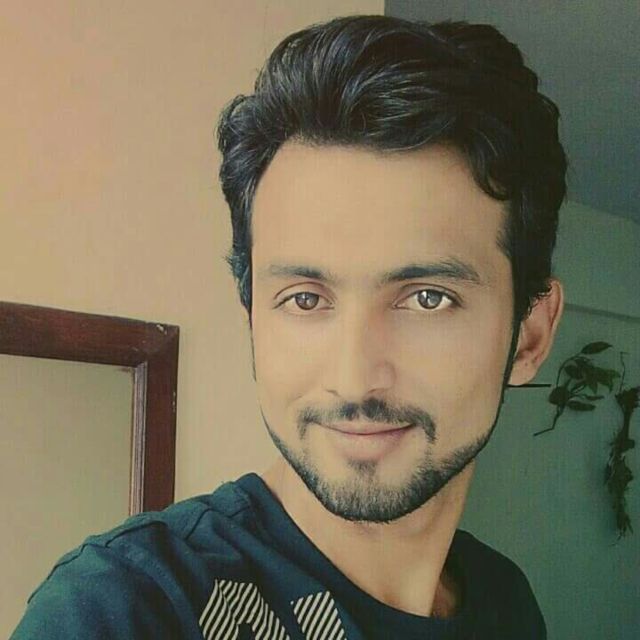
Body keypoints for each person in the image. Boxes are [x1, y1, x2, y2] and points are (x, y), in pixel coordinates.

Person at [12, 14, 566, 639]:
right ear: (253, 318)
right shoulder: (123, 608)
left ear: (530, 335)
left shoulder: (505, 602)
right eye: (305, 299)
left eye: (428, 299)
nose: (353, 379)